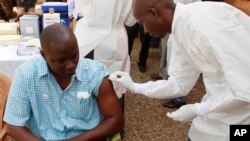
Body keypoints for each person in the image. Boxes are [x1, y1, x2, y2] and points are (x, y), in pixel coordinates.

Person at [109, 0, 250, 141]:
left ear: (154, 13)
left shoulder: (206, 21)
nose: (144, 30)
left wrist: (198, 109)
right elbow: (179, 83)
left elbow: (245, 87)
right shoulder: (178, 30)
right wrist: (136, 87)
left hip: (243, 117)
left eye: (143, 23)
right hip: (216, 109)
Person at [4, 24, 124, 141]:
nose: (71, 65)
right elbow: (13, 126)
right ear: (44, 55)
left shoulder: (95, 73)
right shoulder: (26, 75)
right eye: (61, 61)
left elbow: (116, 119)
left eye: (74, 56)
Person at [74, 0, 136, 108]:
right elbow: (131, 20)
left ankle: (89, 122)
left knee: (87, 87)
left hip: (88, 39)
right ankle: (114, 122)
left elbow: (80, 8)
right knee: (115, 86)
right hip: (116, 40)